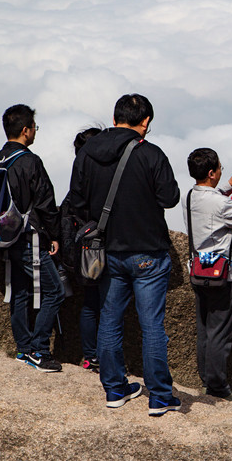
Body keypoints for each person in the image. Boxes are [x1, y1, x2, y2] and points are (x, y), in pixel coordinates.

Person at [69, 94, 181, 416]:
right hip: (148, 251)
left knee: (109, 320)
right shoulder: (151, 153)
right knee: (152, 326)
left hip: (106, 251)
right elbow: (170, 198)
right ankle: (160, 396)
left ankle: (115, 389)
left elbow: (76, 202)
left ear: (115, 117)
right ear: (145, 121)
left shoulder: (88, 152)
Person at [184, 148, 232, 404]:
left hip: (199, 270)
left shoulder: (190, 196)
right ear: (211, 173)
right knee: (220, 333)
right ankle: (218, 387)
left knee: (205, 330)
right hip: (223, 275)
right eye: (219, 168)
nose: (220, 171)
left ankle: (207, 380)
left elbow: (212, 204)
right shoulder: (219, 203)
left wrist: (227, 186)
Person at [0, 104, 65, 373]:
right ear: (26, 130)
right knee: (55, 290)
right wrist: (54, 235)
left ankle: (23, 348)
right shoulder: (30, 161)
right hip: (28, 237)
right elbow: (46, 203)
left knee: (20, 291)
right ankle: (38, 350)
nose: (35, 131)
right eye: (34, 127)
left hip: (5, 235)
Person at [59, 126, 103, 372]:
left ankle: (90, 356)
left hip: (82, 255)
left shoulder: (75, 187)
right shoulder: (100, 183)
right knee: (106, 303)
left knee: (91, 302)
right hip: (103, 251)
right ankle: (104, 356)